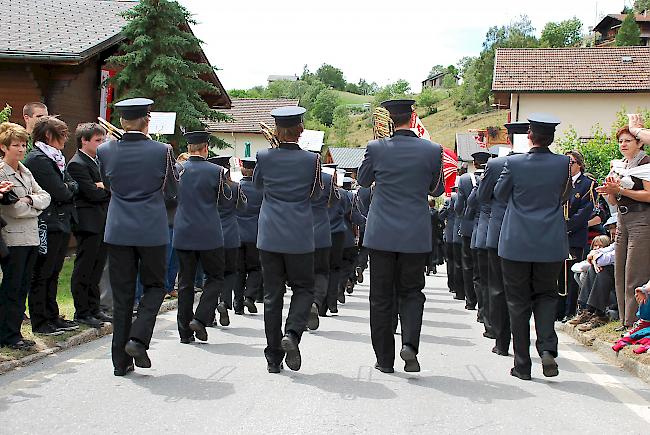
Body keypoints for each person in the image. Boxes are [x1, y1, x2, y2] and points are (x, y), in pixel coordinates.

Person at [358, 99, 444, 373]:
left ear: (390, 120)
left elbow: (362, 180)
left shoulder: (376, 148)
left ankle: (384, 359)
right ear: (413, 117)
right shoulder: (433, 150)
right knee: (411, 293)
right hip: (415, 234)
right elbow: (437, 189)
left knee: (381, 297)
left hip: (381, 234)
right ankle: (409, 344)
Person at [97, 98, 178, 376]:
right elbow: (171, 191)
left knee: (122, 296)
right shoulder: (162, 150)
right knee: (155, 286)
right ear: (148, 120)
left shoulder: (106, 150)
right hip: (151, 229)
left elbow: (108, 185)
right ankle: (138, 338)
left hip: (118, 229)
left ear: (121, 121)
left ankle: (120, 363)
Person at [494, 113, 571, 381]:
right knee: (547, 296)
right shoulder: (563, 163)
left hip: (516, 241)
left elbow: (500, 195)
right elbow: (565, 195)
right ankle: (548, 348)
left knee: (517, 302)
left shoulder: (514, 163)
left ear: (529, 136)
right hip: (549, 241)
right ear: (551, 138)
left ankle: (522, 364)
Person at [254, 106, 323, 373]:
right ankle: (292, 334)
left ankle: (273, 359)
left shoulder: (263, 156)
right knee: (304, 289)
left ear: (277, 131)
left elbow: (259, 185)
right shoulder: (312, 160)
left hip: (269, 235)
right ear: (301, 130)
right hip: (299, 236)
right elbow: (317, 194)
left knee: (272, 297)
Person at [24, 116, 80, 335]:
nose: (66, 140)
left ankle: (52, 315)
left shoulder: (56, 157)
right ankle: (41, 320)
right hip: (47, 222)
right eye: (63, 135)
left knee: (54, 271)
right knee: (42, 272)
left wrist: (69, 187)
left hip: (60, 221)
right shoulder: (38, 159)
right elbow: (62, 191)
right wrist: (69, 187)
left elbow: (70, 184)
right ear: (49, 135)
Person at [478, 121, 529, 356]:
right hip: (531, 234)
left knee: (497, 288)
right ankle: (533, 343)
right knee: (528, 289)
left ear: (507, 139)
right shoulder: (548, 163)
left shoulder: (496, 163)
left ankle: (501, 340)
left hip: (498, 231)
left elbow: (482, 195)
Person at [172, 130, 227, 344]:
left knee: (185, 282)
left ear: (188, 148)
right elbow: (224, 200)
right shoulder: (217, 171)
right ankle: (201, 317)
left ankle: (184, 332)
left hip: (184, 231)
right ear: (206, 148)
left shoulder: (177, 170)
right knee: (215, 278)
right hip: (209, 233)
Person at [0, 122, 51, 349]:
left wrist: (30, 200)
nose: (21, 149)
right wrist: (33, 204)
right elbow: (13, 209)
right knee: (12, 287)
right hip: (13, 237)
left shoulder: (25, 170)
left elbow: (45, 196)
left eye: (23, 145)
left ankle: (15, 332)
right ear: (4, 147)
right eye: (16, 145)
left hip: (31, 236)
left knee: (22, 287)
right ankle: (7, 334)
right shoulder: (2, 172)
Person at [597, 121, 650, 330]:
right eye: (620, 141)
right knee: (620, 270)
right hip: (622, 218)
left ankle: (635, 320)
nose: (623, 144)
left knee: (634, 272)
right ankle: (624, 320)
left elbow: (647, 195)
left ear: (639, 143)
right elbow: (612, 201)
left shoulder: (645, 162)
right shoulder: (620, 165)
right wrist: (610, 190)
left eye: (628, 140)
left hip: (641, 218)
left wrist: (621, 190)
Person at [67, 123, 112, 327]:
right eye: (97, 140)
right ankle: (82, 311)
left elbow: (109, 186)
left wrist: (105, 187)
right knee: (85, 268)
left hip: (101, 220)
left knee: (97, 268)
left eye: (102, 140)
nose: (101, 144)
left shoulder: (97, 161)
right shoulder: (77, 164)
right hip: (88, 222)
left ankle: (95, 308)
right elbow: (93, 194)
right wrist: (104, 188)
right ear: (84, 141)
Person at [558, 150, 598, 322]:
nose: (568, 166)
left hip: (574, 235)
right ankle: (558, 310)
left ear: (579, 164)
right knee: (558, 274)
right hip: (556, 235)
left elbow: (584, 212)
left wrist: (565, 227)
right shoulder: (560, 182)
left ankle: (570, 310)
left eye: (571, 162)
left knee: (572, 274)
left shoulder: (588, 184)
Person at [210, 155, 246, 324]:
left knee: (210, 275)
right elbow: (242, 207)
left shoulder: (208, 187)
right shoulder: (235, 187)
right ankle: (224, 301)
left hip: (212, 233)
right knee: (230, 272)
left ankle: (209, 314)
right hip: (231, 234)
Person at [308, 159, 336, 330]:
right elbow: (333, 200)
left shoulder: (301, 177)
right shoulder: (327, 179)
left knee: (302, 275)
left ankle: (301, 310)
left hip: (302, 230)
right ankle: (317, 302)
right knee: (322, 272)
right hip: (323, 231)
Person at [234, 157, 263, 315]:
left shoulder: (236, 188)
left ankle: (238, 304)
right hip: (255, 234)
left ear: (242, 169)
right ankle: (250, 296)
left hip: (237, 234)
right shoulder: (262, 190)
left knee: (239, 270)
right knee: (256, 268)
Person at [324, 164, 346, 316]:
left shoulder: (313, 191)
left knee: (318, 269)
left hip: (318, 232)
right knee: (334, 269)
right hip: (337, 232)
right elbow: (345, 211)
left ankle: (317, 300)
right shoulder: (341, 194)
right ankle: (331, 302)